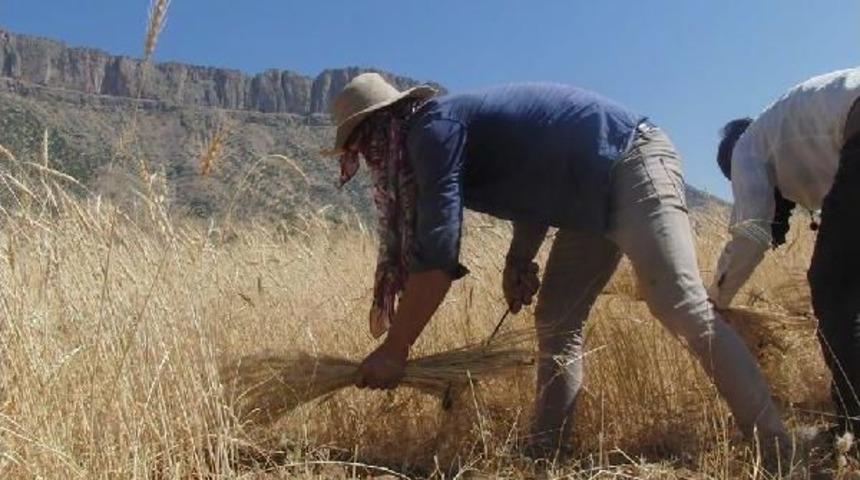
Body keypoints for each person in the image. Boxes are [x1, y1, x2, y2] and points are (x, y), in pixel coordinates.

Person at [326, 72, 789, 459]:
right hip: (583, 196)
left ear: (387, 124)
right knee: (556, 321)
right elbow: (534, 185)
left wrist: (396, 348)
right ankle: (546, 454)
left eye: (366, 142)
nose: (368, 157)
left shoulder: (432, 130)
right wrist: (520, 258)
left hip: (629, 157)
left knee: (680, 305)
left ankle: (777, 448)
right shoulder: (436, 134)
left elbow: (439, 251)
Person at [709, 67, 860, 437]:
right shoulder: (795, 128)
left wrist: (715, 299)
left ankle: (854, 427)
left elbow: (752, 233)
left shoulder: (747, 146)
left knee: (833, 288)